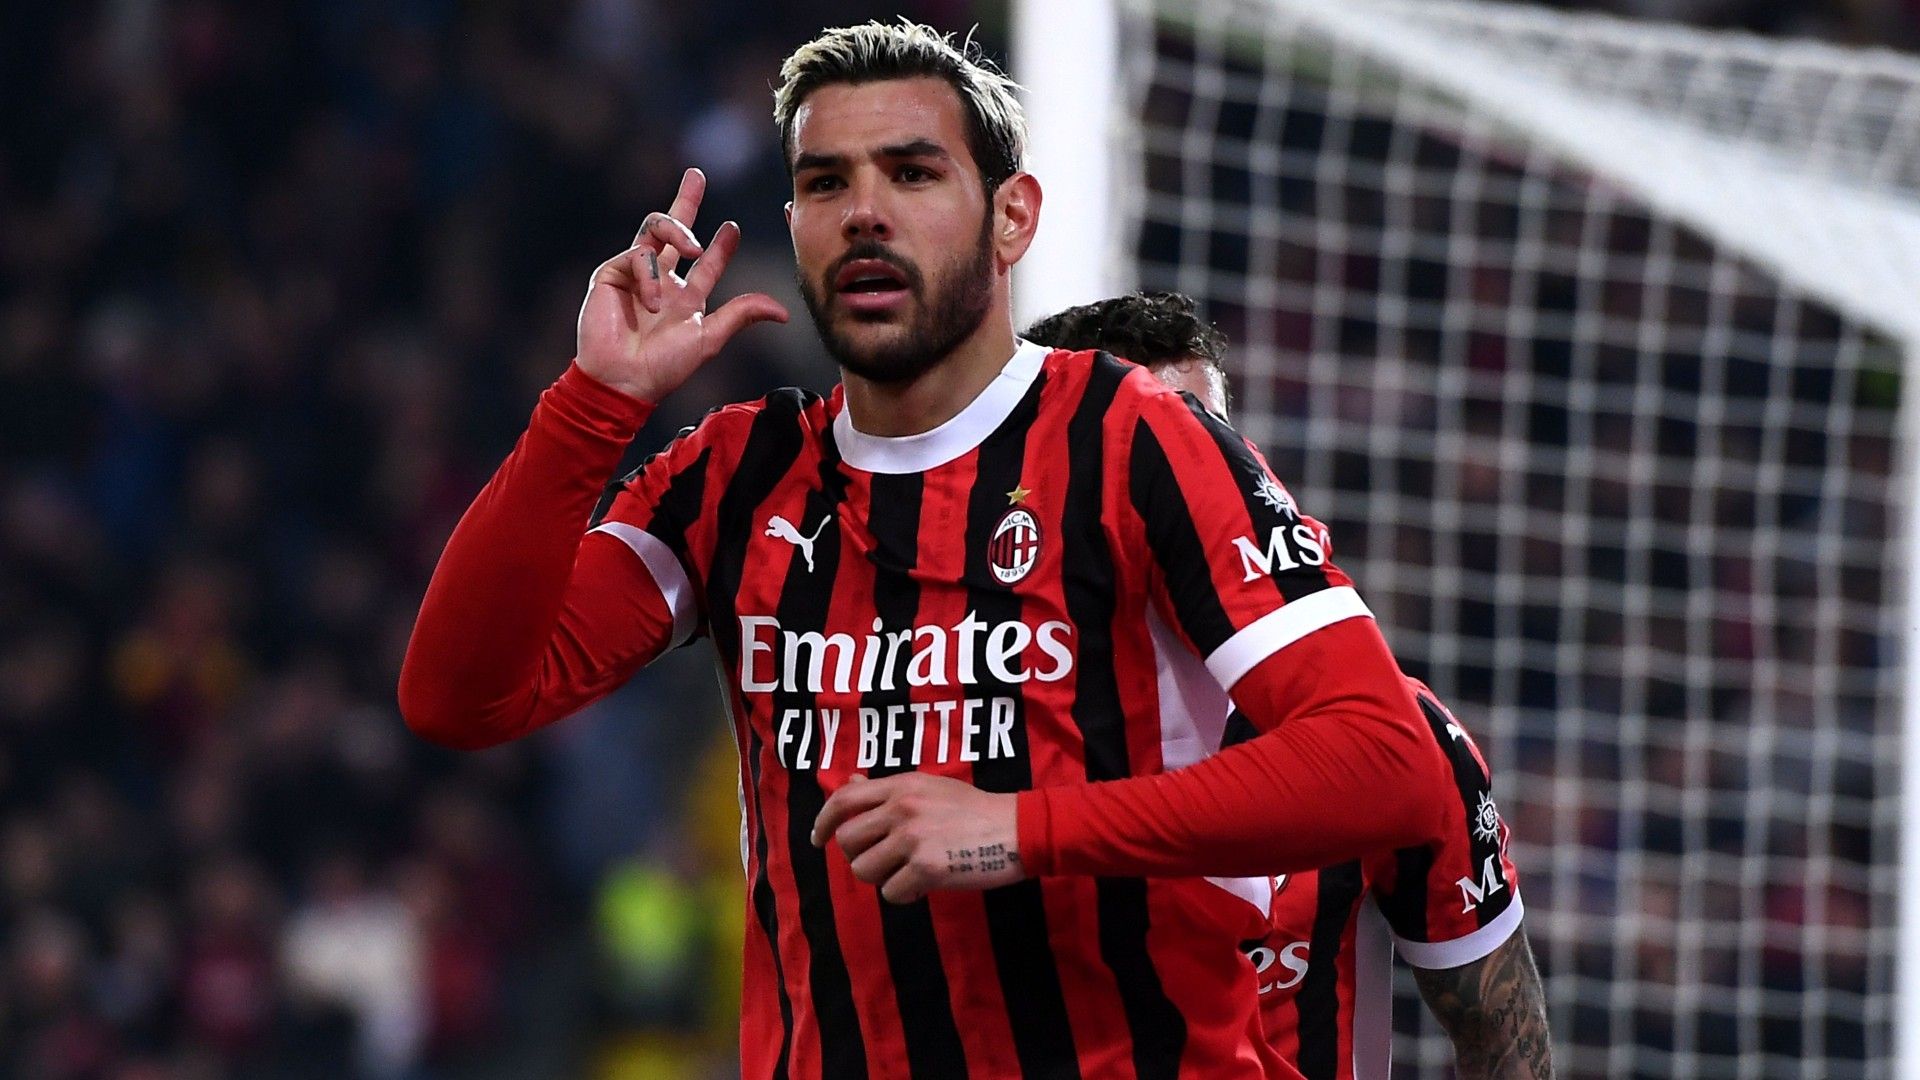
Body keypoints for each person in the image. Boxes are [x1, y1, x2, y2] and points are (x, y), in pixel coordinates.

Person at [401, 21, 1469, 1078]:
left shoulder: (1135, 436)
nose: (864, 212)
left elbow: (1388, 766)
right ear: (795, 225)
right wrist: (596, 401)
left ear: (1012, 217)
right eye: (825, 183)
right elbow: (458, 698)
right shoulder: (734, 475)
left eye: (912, 173)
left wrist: (1021, 830)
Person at [1025, 292, 1553, 1079]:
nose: (1184, 480)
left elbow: (1502, 1042)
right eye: (1148, 453)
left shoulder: (1392, 739)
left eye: (1204, 441)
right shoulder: (972, 720)